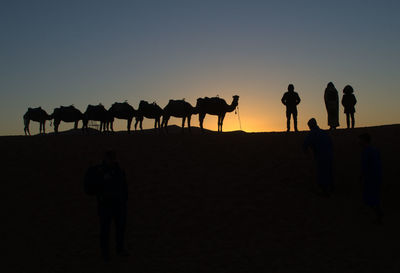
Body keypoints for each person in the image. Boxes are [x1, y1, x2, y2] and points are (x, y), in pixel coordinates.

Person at [84, 150, 129, 261]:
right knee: (105, 230)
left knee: (119, 228)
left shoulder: (118, 170)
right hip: (105, 205)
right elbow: (90, 188)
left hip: (118, 204)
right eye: (110, 158)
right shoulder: (99, 171)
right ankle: (105, 253)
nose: (112, 160)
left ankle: (119, 249)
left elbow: (124, 186)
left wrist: (124, 199)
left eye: (113, 158)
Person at [303, 118, 334, 196]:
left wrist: (307, 153)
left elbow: (305, 145)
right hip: (329, 155)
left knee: (321, 173)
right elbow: (331, 143)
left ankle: (324, 190)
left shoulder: (311, 134)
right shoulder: (324, 132)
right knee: (328, 172)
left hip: (320, 156)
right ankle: (329, 188)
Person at [359, 133, 383, 224]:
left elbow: (366, 166)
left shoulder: (368, 151)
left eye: (360, 140)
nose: (358, 142)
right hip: (375, 177)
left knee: (371, 197)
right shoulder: (373, 150)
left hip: (371, 178)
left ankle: (378, 215)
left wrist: (362, 176)